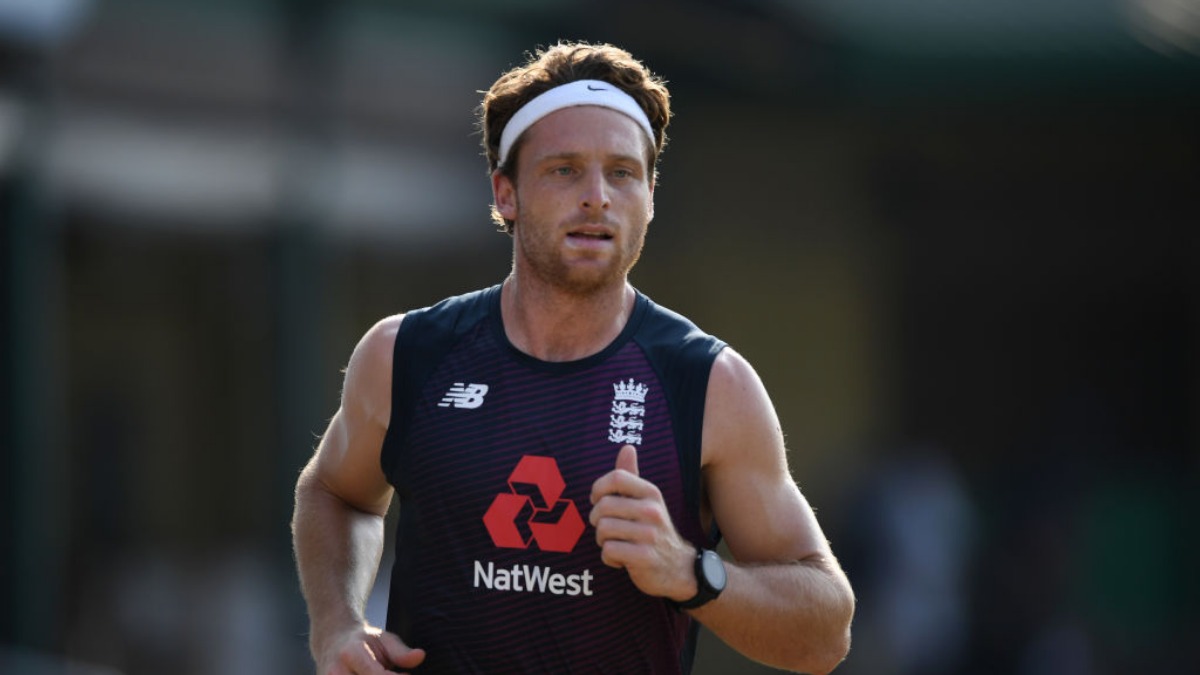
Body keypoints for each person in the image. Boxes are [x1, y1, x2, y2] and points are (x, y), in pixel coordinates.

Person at [292, 41, 855, 675]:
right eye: (564, 170)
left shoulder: (709, 384)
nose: (597, 197)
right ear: (506, 193)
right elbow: (335, 493)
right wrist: (336, 623)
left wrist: (691, 571)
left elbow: (825, 633)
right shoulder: (408, 353)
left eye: (622, 172)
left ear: (649, 196)